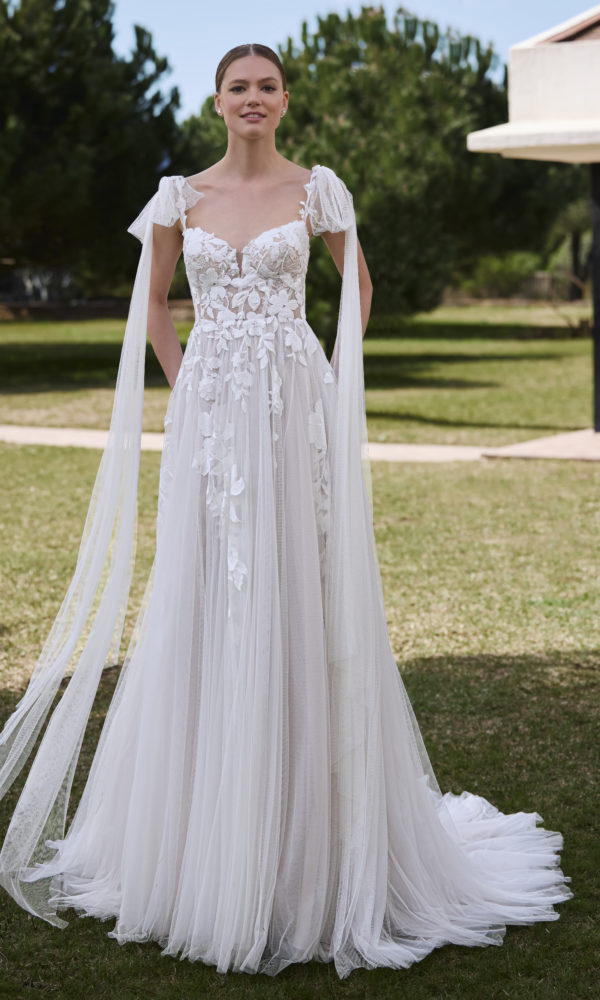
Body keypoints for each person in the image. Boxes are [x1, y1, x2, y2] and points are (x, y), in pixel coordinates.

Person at [0, 43, 572, 979]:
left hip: (296, 412)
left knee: (300, 585)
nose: (253, 99)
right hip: (211, 422)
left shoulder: (319, 190)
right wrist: (188, 381)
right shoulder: (177, 197)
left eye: (267, 86)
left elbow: (359, 290)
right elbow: (155, 304)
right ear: (217, 101)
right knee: (209, 591)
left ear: (286, 100)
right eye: (239, 87)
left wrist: (332, 390)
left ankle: (310, 840)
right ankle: (204, 838)